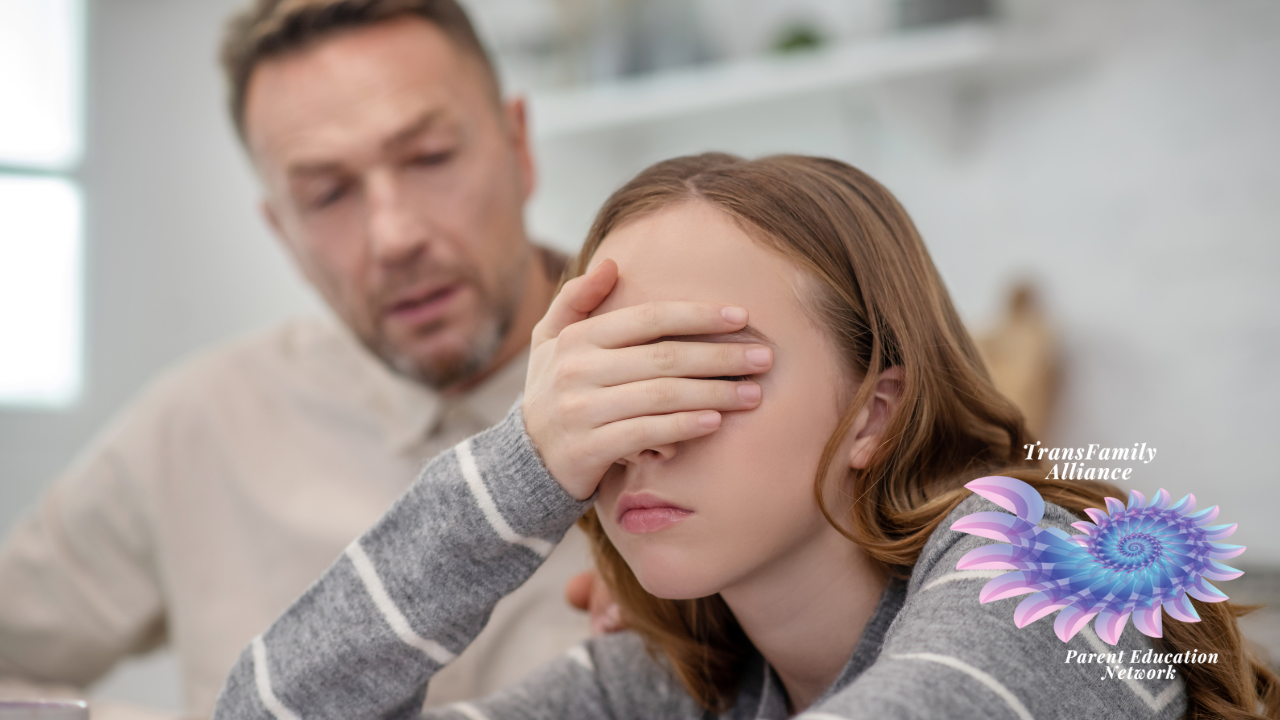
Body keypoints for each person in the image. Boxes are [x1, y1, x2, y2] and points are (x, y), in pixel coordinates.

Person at [211, 152, 1278, 720]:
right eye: (604, 385)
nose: (640, 437)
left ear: (875, 412)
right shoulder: (677, 688)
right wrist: (520, 463)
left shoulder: (1053, 582)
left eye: (703, 375)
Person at [0, 0, 593, 715]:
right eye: (328, 194)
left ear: (518, 146)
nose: (393, 235)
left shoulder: (694, 396)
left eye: (430, 158)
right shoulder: (195, 427)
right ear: (282, 230)